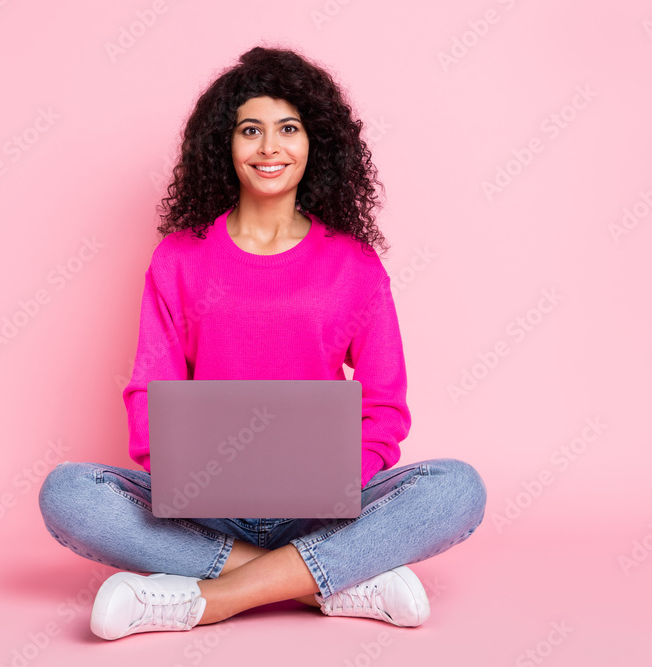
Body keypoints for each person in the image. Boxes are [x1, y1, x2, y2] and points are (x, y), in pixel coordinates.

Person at [37, 44, 487, 641]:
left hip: (324, 505)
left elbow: (384, 406)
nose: (269, 147)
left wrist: (336, 479)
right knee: (69, 494)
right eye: (251, 130)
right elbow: (150, 389)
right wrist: (179, 474)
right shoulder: (179, 259)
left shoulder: (354, 265)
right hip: (207, 503)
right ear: (225, 144)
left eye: (288, 129)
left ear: (315, 144)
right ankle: (327, 582)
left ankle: (207, 599)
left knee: (457, 489)